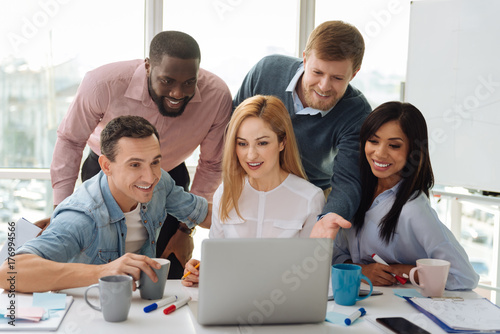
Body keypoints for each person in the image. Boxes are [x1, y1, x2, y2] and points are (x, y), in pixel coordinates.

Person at [47, 31, 232, 278]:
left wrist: (184, 231)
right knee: (102, 260)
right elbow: (70, 140)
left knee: (169, 268)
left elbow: (211, 166)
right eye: (167, 81)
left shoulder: (217, 95)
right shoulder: (101, 84)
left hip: (169, 172)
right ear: (147, 67)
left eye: (189, 82)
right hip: (107, 170)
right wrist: (61, 211)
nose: (178, 93)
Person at [0, 116, 211, 293]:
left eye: (155, 162)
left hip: (139, 307)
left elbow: (204, 214)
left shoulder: (160, 182)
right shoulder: (81, 217)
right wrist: (102, 272)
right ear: (106, 166)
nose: (150, 177)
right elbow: (9, 272)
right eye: (135, 165)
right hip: (86, 314)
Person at [182, 95, 351, 287]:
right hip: (231, 303)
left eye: (262, 143)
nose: (251, 155)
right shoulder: (226, 192)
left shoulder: (309, 198)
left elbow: (312, 275)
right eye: (242, 143)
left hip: (284, 304)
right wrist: (202, 271)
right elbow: (218, 262)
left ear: (282, 142)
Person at [233, 20, 371, 232]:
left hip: (311, 196)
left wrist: (330, 217)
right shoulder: (266, 71)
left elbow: (348, 180)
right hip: (251, 184)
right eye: (317, 72)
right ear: (305, 59)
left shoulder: (356, 112)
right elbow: (231, 129)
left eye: (337, 78)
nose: (324, 86)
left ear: (353, 74)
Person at [331, 101, 479, 290]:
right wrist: (362, 270)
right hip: (355, 297)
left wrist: (406, 270)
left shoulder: (413, 208)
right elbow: (336, 254)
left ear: (413, 151)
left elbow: (464, 277)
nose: (380, 153)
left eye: (394, 145)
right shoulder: (355, 192)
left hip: (395, 306)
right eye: (373, 141)